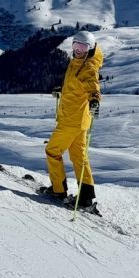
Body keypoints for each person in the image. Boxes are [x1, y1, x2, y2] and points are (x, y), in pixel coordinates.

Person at [39, 30, 102, 209]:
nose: (78, 50)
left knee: (52, 151)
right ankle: (86, 197)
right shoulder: (76, 63)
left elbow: (92, 86)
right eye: (75, 45)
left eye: (82, 47)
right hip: (80, 121)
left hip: (71, 120)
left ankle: (58, 190)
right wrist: (63, 90)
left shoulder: (87, 67)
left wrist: (95, 100)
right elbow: (78, 86)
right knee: (79, 157)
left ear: (90, 49)